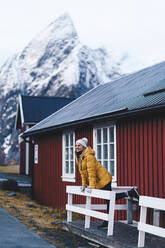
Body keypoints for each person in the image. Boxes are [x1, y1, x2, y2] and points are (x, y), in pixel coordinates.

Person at [75, 137, 139, 228]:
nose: (77, 147)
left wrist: (91, 186)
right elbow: (82, 173)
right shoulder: (79, 157)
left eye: (79, 145)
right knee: (109, 200)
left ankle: (108, 222)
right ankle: (129, 193)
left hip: (103, 180)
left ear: (84, 147)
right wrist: (84, 185)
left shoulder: (89, 157)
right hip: (99, 181)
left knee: (109, 199)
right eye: (76, 145)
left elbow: (91, 172)